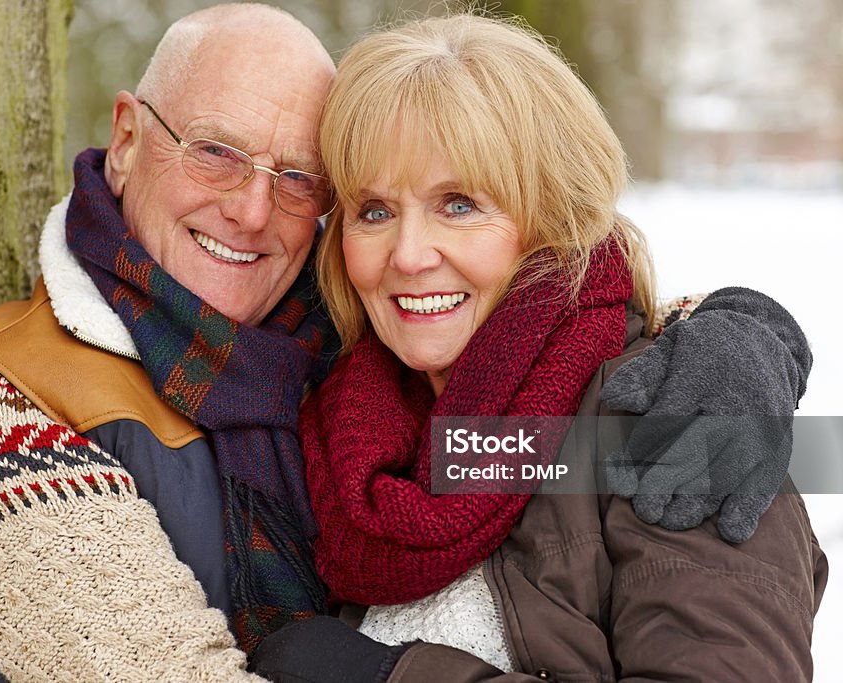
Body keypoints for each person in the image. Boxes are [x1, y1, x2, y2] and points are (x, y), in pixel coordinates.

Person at [0, 4, 814, 682]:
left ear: (549, 218)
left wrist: (742, 323)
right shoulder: (8, 412)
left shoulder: (675, 419)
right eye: (215, 151)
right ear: (127, 139)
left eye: (299, 177)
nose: (252, 210)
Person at [250, 13, 827, 682]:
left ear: (553, 217)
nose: (406, 256)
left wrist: (393, 676)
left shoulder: (677, 417)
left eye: (459, 203)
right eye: (374, 210)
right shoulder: (335, 431)